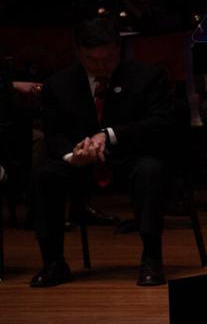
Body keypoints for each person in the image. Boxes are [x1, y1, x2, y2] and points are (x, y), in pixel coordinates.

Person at [30, 18, 178, 287]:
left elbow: (161, 123)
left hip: (129, 157)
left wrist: (109, 135)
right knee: (44, 175)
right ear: (78, 52)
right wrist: (72, 155)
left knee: (150, 170)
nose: (100, 66)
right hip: (79, 160)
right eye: (92, 59)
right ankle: (53, 262)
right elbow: (54, 133)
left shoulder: (149, 76)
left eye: (108, 58)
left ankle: (151, 258)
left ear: (118, 49)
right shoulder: (58, 84)